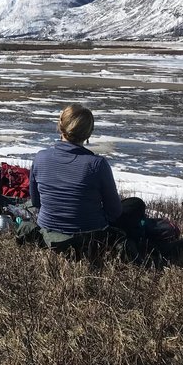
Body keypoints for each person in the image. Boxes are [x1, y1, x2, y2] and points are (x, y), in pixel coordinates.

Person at [29, 103, 135, 254]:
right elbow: (114, 212)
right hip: (88, 237)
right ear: (88, 133)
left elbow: (36, 202)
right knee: (135, 205)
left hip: (47, 233)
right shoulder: (97, 164)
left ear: (60, 126)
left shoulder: (40, 157)